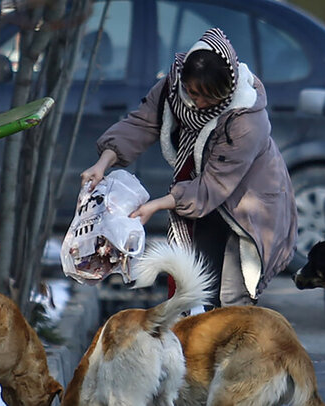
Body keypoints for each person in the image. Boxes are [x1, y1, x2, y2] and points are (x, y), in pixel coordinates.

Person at [80, 28, 297, 309]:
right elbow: (141, 123)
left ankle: (231, 350)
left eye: (211, 97)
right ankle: (193, 348)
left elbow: (213, 185)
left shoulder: (246, 120)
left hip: (249, 204)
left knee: (232, 298)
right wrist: (102, 163)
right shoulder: (173, 87)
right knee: (194, 287)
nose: (199, 102)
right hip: (199, 197)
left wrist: (156, 205)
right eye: (194, 92)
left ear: (229, 89)